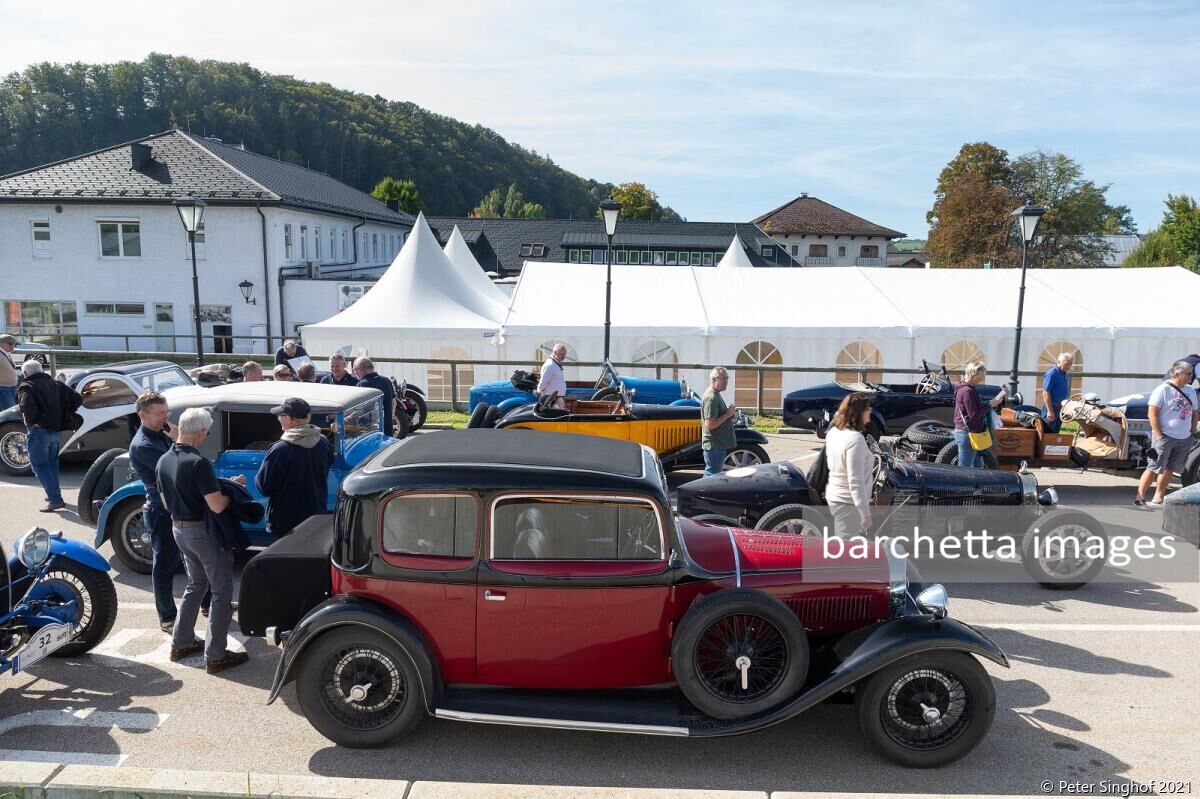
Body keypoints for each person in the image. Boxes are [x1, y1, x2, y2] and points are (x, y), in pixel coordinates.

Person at [156, 407, 248, 674]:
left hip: (179, 529)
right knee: (221, 592)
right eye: (207, 430)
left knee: (195, 585)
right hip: (202, 532)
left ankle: (181, 642)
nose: (208, 434)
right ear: (199, 432)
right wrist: (235, 492)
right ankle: (216, 655)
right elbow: (217, 506)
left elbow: (165, 501)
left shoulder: (164, 460)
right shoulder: (199, 463)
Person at [129, 393, 184, 632]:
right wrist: (180, 439)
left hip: (177, 505)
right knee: (164, 565)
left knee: (194, 559)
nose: (166, 417)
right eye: (161, 413)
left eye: (167, 412)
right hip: (161, 510)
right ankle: (167, 616)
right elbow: (175, 469)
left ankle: (206, 602)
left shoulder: (161, 433)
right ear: (142, 415)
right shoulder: (144, 445)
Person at [254, 398, 335, 537]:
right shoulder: (323, 442)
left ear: (290, 419)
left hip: (285, 522)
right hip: (315, 516)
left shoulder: (280, 449)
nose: (278, 419)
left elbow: (264, 487)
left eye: (281, 416)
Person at [16, 360, 82, 512]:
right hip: (56, 430)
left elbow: (28, 408)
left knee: (39, 466)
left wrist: (33, 423)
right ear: (41, 370)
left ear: (26, 373)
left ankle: (55, 499)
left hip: (39, 432)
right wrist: (64, 415)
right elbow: (77, 399)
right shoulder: (56, 384)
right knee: (51, 463)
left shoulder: (27, 387)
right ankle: (52, 492)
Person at [1135, 359, 1198, 508]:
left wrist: (1192, 430)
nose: (1191, 377)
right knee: (1154, 467)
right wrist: (1158, 436)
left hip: (1184, 438)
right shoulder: (1163, 390)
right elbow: (1152, 413)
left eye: (1191, 374)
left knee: (1171, 468)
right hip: (1164, 436)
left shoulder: (1190, 391)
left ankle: (1158, 497)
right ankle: (1140, 497)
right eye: (1188, 374)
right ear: (1178, 373)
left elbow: (1195, 413)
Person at [825, 392, 874, 536]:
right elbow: (855, 481)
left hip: (836, 496)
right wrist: (865, 513)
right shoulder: (855, 439)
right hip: (848, 503)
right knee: (847, 551)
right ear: (859, 413)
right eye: (867, 408)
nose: (870, 411)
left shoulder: (834, 432)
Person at [952, 361, 1007, 468]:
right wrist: (991, 404)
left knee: (978, 467)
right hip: (967, 433)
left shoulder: (966, 388)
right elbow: (974, 415)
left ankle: (978, 484)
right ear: (973, 374)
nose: (982, 379)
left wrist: (990, 403)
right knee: (965, 468)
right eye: (981, 376)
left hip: (970, 432)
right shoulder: (967, 391)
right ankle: (963, 485)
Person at [701, 367, 738, 477]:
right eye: (723, 378)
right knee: (711, 477)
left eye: (727, 378)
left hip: (717, 445)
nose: (726, 381)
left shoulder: (715, 394)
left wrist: (727, 412)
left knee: (712, 476)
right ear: (714, 379)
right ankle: (702, 494)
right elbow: (710, 424)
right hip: (715, 445)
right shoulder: (711, 398)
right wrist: (728, 414)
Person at [353, 356, 396, 437]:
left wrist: (346, 418)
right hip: (387, 429)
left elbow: (359, 410)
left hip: (370, 432)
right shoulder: (386, 380)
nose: (355, 373)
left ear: (361, 368)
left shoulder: (362, 384)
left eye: (355, 369)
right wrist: (388, 420)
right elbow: (394, 403)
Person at [1041, 352, 1074, 433]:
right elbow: (1045, 392)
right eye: (1066, 364)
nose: (1068, 366)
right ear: (1059, 362)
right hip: (1051, 408)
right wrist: (1050, 410)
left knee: (1055, 436)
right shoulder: (1052, 373)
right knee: (1047, 434)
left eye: (1070, 364)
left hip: (1060, 409)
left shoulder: (1064, 374)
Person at [0, 334, 19, 409]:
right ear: (3, 344)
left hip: (10, 387)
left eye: (14, 344)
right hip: (4, 388)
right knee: (10, 411)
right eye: (10, 344)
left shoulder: (6, 352)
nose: (13, 347)